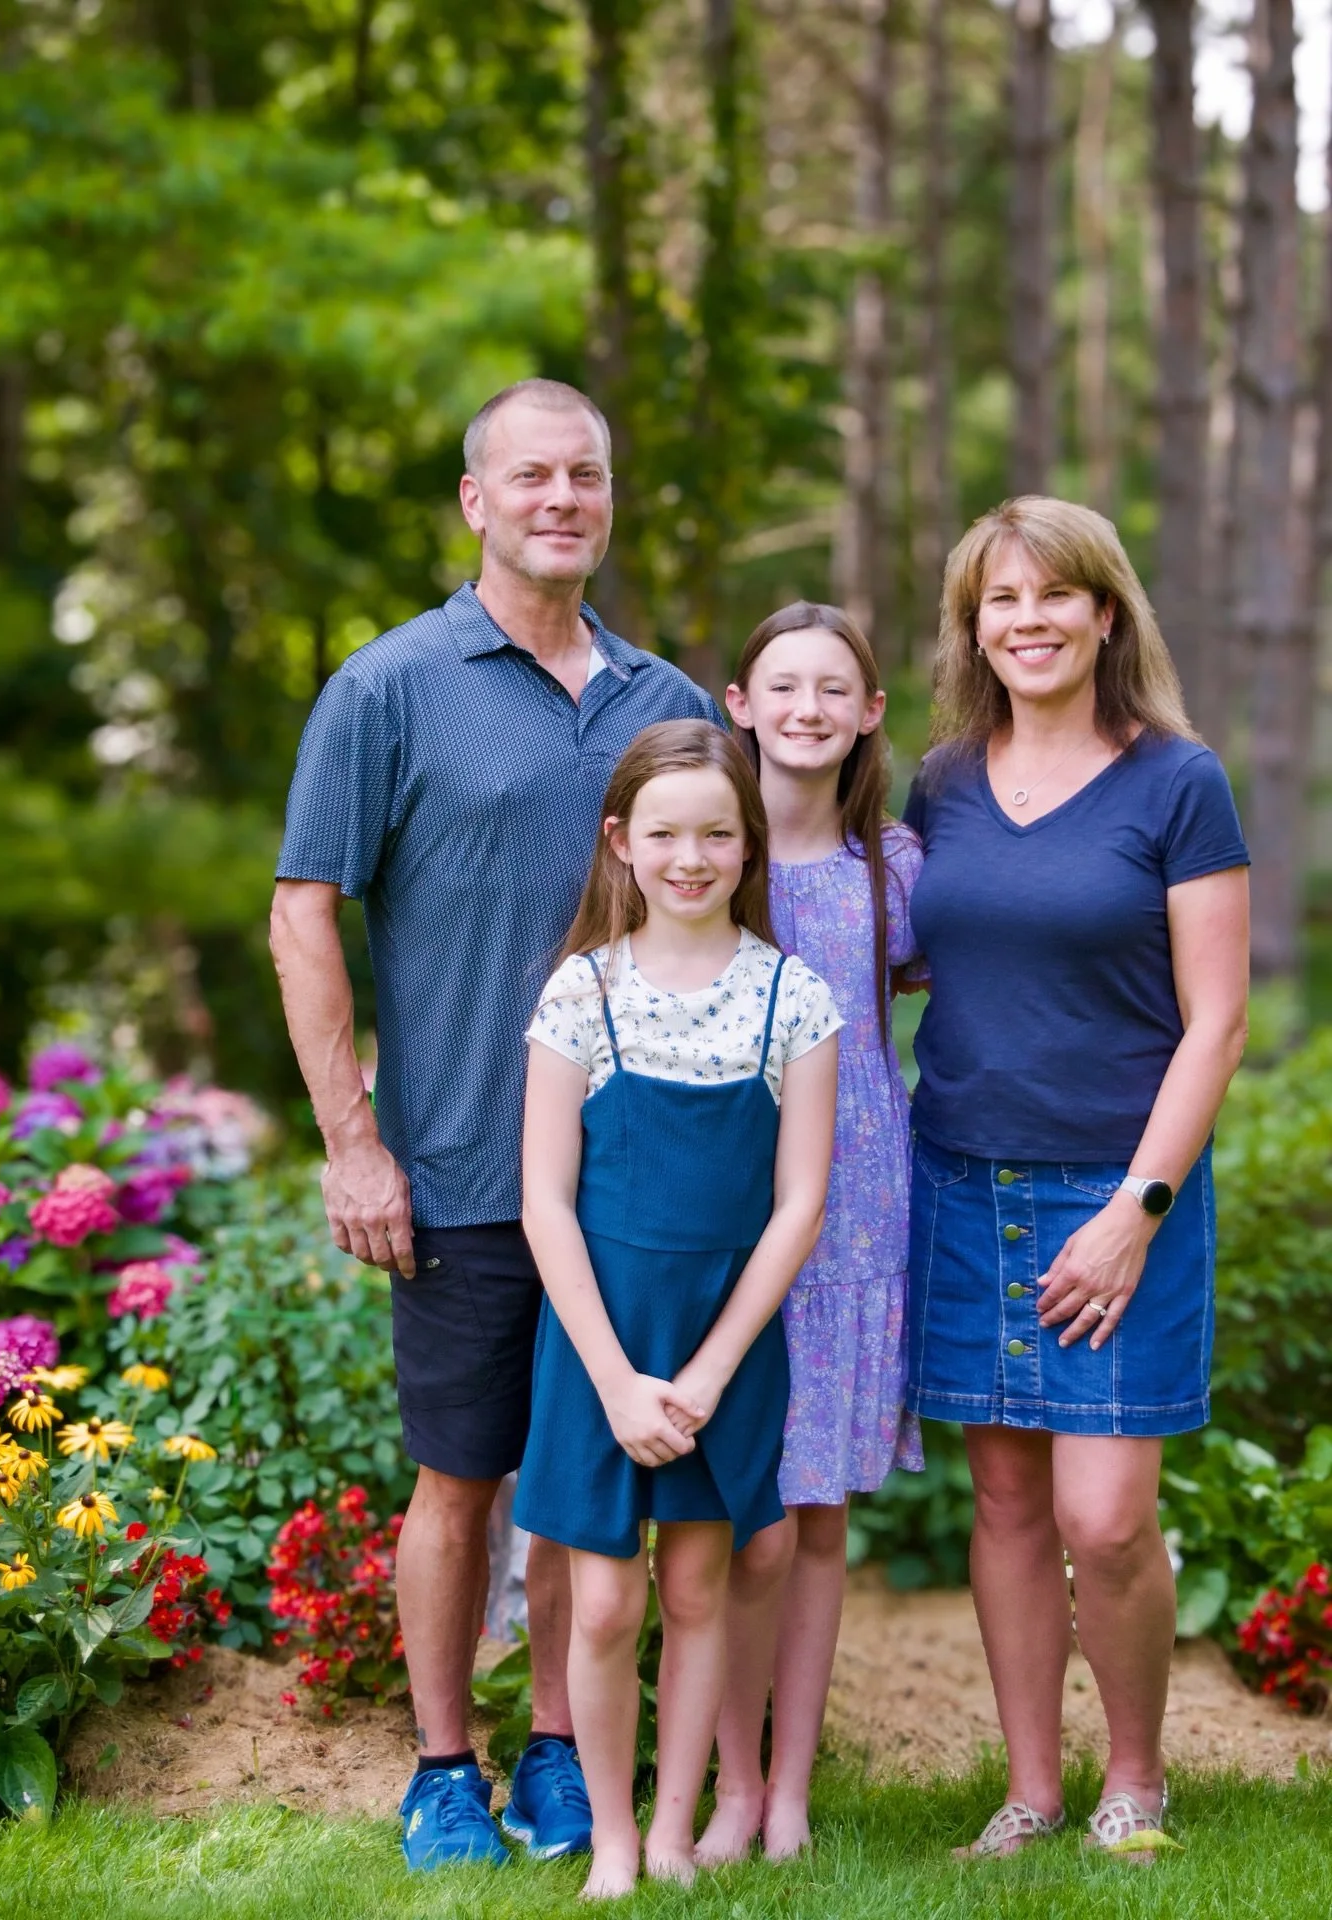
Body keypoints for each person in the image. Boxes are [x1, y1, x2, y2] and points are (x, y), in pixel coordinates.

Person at [269, 380, 721, 1873]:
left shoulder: (670, 704)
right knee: (461, 1474)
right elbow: (302, 916)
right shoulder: (388, 687)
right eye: (530, 476)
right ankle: (443, 1769)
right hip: (460, 1160)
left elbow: (750, 899)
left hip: (641, 1177)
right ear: (475, 500)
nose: (561, 499)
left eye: (585, 476)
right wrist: (353, 1139)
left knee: (593, 1477)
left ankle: (564, 1756)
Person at [902, 497, 1249, 1860]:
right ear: (972, 626)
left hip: (1121, 1190)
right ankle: (1034, 1792)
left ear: (1106, 613)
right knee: (1003, 1502)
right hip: (963, 1181)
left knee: (1105, 1520)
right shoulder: (937, 783)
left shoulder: (1178, 780)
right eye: (1001, 599)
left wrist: (1134, 1214)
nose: (1028, 620)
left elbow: (1214, 1023)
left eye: (1056, 595)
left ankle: (1137, 1776)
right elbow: (916, 950)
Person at [514, 720, 840, 1898]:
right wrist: (615, 1378)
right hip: (598, 1346)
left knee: (699, 1588)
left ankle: (674, 1823)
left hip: (725, 1350)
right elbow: (545, 1202)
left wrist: (705, 1377)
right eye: (665, 833)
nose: (691, 856)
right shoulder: (580, 993)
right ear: (621, 843)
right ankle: (610, 1833)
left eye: (717, 831)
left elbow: (798, 1204)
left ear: (750, 843)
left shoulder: (789, 999)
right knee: (601, 1604)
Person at [692, 602, 925, 1866]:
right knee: (745, 1516)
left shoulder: (897, 870)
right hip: (726, 1202)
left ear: (872, 712)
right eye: (783, 685)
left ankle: (788, 1792)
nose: (808, 709)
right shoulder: (710, 852)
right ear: (740, 701)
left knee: (818, 1512)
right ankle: (729, 1785)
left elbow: (947, 987)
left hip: (858, 1203)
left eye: (836, 689)